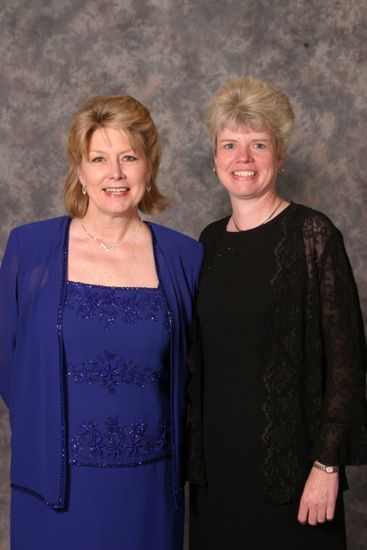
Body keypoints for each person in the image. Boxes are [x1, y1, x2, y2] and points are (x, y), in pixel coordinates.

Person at [0, 94, 203, 550]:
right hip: (55, 488)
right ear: (80, 170)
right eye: (99, 159)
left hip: (149, 490)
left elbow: (197, 374)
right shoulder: (29, 251)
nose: (115, 173)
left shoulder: (185, 258)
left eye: (129, 157)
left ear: (148, 168)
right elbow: (8, 365)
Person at [187, 76, 367, 550]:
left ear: (280, 156)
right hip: (217, 477)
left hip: (293, 478)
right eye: (230, 144)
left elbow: (348, 364)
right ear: (215, 159)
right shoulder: (207, 242)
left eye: (258, 144)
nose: (242, 159)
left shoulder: (313, 235)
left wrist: (328, 466)